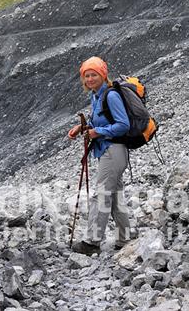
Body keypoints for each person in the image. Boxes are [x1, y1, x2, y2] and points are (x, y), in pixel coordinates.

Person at [68, 56, 131, 255]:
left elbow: (123, 125)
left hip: (113, 150)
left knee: (101, 195)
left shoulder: (111, 95)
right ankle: (125, 238)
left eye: (94, 74)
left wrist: (98, 133)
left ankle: (91, 242)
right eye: (86, 76)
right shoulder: (96, 96)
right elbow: (100, 122)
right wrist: (83, 128)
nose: (90, 79)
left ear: (103, 75)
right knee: (114, 196)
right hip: (108, 151)